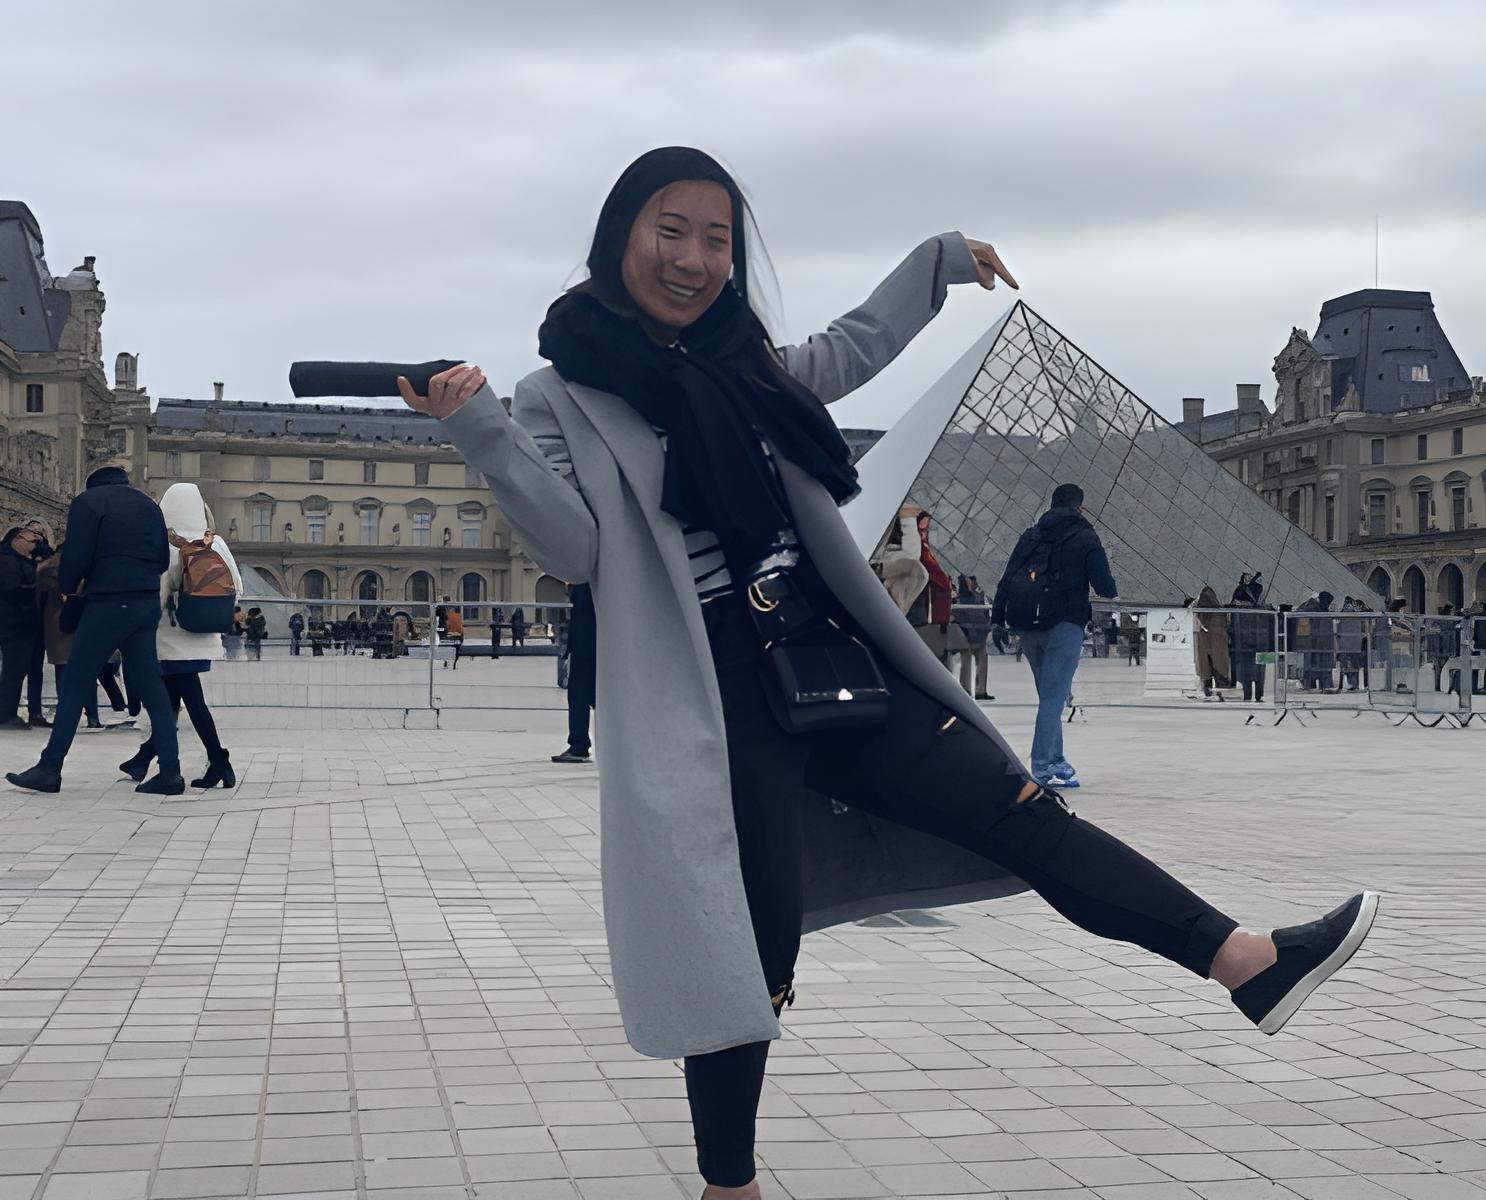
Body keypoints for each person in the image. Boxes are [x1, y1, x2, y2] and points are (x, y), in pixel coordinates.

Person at [397, 146, 1378, 1200]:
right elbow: (572, 550)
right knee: (747, 958)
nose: (693, 257)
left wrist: (938, 262)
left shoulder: (747, 363)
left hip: (830, 663)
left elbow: (851, 349)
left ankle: (1240, 960)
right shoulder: (561, 393)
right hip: (712, 701)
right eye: (669, 231)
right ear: (620, 237)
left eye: (717, 237)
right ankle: (729, 1186)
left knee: (1023, 814)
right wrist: (482, 433)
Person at [6, 465, 182, 794]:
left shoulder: (89, 503)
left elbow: (76, 555)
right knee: (151, 686)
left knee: (75, 681)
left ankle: (50, 767)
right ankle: (170, 772)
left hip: (108, 603)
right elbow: (161, 559)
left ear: (93, 483)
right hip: (144, 603)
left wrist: (70, 587)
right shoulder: (148, 505)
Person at [991, 483, 1117, 788]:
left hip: (1027, 624)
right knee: (1052, 697)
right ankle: (1043, 766)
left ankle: (1056, 759)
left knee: (1050, 696)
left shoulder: (1031, 535)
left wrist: (997, 620)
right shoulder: (1085, 536)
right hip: (1064, 622)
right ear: (1079, 507)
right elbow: (1104, 587)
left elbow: (1007, 579)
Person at [118, 484, 242, 790]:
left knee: (186, 703)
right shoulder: (216, 544)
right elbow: (237, 588)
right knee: (174, 701)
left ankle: (219, 761)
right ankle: (144, 758)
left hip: (171, 640)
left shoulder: (168, 546)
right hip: (204, 637)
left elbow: (157, 597)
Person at [35, 531, 103, 731]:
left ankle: (67, 716)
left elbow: (39, 598)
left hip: (56, 625)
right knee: (85, 672)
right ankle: (92, 716)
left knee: (64, 671)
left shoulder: (46, 569)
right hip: (80, 622)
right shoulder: (86, 566)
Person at [883, 505, 952, 664]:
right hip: (916, 618)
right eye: (921, 526)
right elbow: (912, 555)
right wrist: (908, 520)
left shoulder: (924, 555)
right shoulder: (908, 559)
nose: (924, 531)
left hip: (925, 618)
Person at [0, 525, 51, 730]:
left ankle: (7, 711)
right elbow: (11, 589)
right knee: (14, 669)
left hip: (23, 622)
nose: (34, 547)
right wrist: (36, 589)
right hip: (13, 622)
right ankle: (5, 714)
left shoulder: (20, 559)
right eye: (31, 542)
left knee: (18, 669)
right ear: (17, 540)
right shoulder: (8, 561)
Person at [553, 583, 596, 764]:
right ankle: (580, 745)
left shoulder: (589, 580)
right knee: (592, 697)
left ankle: (579, 746)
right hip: (591, 646)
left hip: (588, 646)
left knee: (579, 696)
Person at [1228, 575, 1271, 703]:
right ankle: (1257, 694)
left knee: (1250, 671)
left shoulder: (1242, 600)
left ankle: (1251, 695)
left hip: (1246, 643)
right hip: (1257, 643)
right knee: (1259, 671)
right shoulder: (1260, 605)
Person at [954, 574, 993, 700]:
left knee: (976, 662)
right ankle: (971, 690)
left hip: (976, 633)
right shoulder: (971, 596)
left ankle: (974, 690)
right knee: (971, 662)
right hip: (972, 633)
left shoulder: (975, 595)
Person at [1191, 585, 1231, 699]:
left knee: (1205, 670)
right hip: (1217, 646)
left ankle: (1207, 691)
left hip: (1204, 644)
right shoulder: (1218, 612)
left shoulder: (1199, 613)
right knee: (1218, 668)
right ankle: (1219, 691)